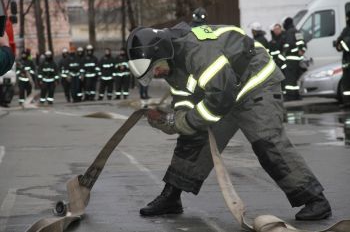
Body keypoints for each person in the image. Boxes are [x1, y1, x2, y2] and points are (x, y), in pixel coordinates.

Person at [126, 23, 332, 221]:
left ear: (162, 51)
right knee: (193, 136)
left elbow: (218, 101)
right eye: (153, 73)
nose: (157, 74)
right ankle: (171, 197)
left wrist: (180, 121)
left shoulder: (197, 51)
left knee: (266, 141)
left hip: (256, 83)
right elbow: (185, 108)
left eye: (156, 69)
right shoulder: (171, 62)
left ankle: (314, 199)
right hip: (224, 91)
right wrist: (166, 120)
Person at [282, 17, 306, 101]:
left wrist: (285, 51)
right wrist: (301, 50)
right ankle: (297, 95)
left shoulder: (289, 32)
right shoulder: (297, 31)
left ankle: (290, 96)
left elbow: (289, 45)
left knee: (290, 79)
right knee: (295, 79)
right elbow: (302, 43)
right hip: (297, 60)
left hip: (290, 59)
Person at [335, 11, 350, 106]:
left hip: (348, 63)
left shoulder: (347, 30)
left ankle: (347, 102)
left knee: (347, 84)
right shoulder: (346, 30)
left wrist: (341, 44)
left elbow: (341, 43)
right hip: (347, 63)